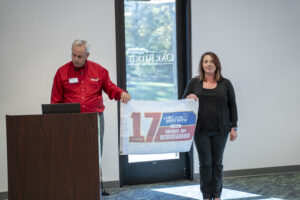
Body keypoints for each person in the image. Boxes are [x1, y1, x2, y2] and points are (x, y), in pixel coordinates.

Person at [51, 39, 131, 196]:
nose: (75, 59)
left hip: (94, 120)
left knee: (94, 155)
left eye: (80, 56)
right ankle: (71, 189)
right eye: (73, 55)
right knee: (71, 155)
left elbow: (110, 87)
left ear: (87, 55)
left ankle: (95, 188)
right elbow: (55, 101)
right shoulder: (61, 72)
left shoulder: (99, 70)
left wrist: (121, 93)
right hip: (70, 122)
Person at [183, 52, 238, 200]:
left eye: (211, 61)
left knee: (217, 163)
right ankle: (206, 195)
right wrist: (189, 98)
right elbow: (183, 103)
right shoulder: (194, 83)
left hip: (221, 130)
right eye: (205, 61)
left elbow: (232, 106)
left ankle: (217, 195)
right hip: (200, 131)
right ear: (202, 65)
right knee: (205, 164)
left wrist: (234, 127)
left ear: (216, 64)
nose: (208, 64)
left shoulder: (225, 84)